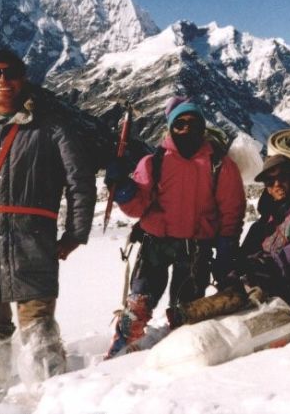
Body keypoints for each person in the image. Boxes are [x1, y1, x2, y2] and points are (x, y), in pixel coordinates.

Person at [0, 49, 96, 392]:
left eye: (10, 73)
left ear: (23, 79)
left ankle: (49, 397)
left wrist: (76, 232)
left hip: (32, 245)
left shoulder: (52, 128)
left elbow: (79, 182)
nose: (2, 81)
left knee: (39, 330)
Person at [104, 97, 246, 357]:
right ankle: (120, 350)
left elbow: (232, 210)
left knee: (186, 311)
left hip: (195, 250)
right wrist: (124, 189)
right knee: (138, 306)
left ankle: (180, 356)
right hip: (155, 244)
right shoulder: (154, 162)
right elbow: (137, 207)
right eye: (180, 124)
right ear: (170, 127)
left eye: (193, 123)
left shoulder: (220, 165)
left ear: (203, 128)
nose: (187, 129)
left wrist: (227, 244)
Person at [236, 154, 290, 309]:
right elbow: (244, 256)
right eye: (270, 182)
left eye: (282, 178)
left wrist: (272, 263)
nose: (277, 185)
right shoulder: (262, 224)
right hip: (263, 285)